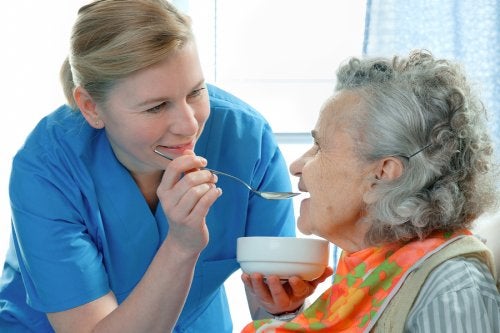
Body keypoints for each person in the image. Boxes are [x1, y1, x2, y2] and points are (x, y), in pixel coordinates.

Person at [0, 1, 330, 332]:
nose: (189, 126)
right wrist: (182, 245)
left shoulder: (247, 142)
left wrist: (285, 306)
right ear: (91, 107)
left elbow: (268, 301)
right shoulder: (46, 169)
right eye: (156, 107)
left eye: (196, 91)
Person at [242, 50, 500, 332]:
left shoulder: (452, 287)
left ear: (382, 175)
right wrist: (286, 315)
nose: (296, 165)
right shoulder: (370, 270)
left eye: (319, 147)